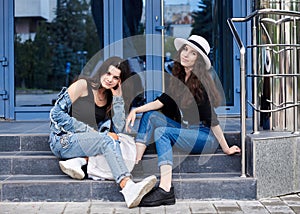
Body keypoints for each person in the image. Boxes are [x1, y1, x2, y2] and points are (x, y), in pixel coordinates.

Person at [125, 35, 241, 207]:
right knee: (150, 116)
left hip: (204, 136)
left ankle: (165, 190)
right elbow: (162, 101)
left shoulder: (200, 83)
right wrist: (136, 110)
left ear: (198, 60)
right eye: (185, 50)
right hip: (186, 131)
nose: (186, 55)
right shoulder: (179, 77)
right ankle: (134, 165)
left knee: (162, 132)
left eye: (193, 53)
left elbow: (212, 120)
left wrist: (226, 148)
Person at [48, 56, 157, 208]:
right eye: (108, 74)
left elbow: (118, 129)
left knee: (118, 138)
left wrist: (118, 98)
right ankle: (128, 187)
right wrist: (92, 132)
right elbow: (56, 113)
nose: (110, 79)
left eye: (116, 77)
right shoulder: (82, 85)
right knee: (106, 140)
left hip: (87, 143)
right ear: (101, 71)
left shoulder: (109, 97)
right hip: (63, 140)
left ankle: (80, 161)